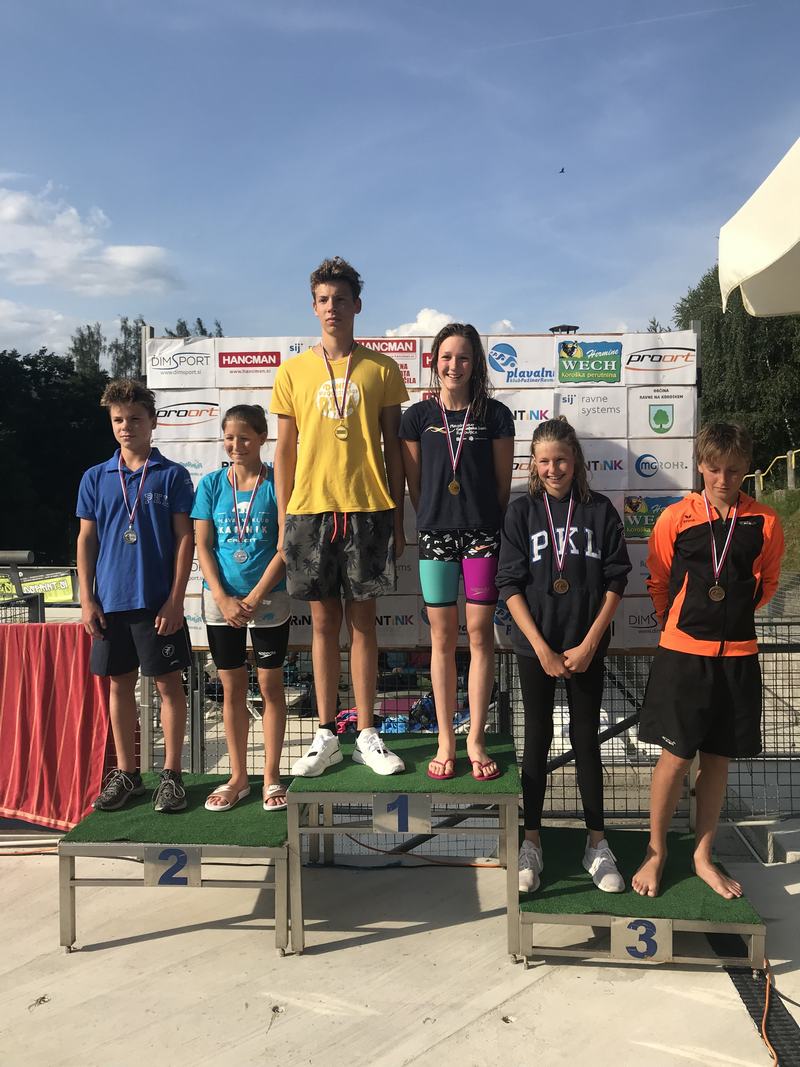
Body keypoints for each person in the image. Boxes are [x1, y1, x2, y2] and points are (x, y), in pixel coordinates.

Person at [633, 423, 784, 899]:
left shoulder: (765, 521)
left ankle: (702, 856)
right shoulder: (675, 517)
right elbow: (658, 579)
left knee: (718, 760)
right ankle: (656, 851)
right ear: (700, 465)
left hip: (737, 656)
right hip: (683, 655)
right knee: (675, 758)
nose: (723, 479)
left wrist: (730, 616)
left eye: (734, 471)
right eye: (715, 469)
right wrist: (678, 622)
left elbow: (768, 584)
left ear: (747, 469)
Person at [270, 256, 409, 776]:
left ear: (357, 306)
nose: (333, 308)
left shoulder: (382, 369)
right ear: (314, 307)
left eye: (341, 300)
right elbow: (284, 451)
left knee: (364, 625)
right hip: (310, 511)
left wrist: (398, 518)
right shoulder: (292, 371)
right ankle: (326, 733)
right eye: (324, 300)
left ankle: (367, 732)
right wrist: (284, 519)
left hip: (368, 507)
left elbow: (395, 449)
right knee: (324, 625)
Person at [496, 417, 631, 893]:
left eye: (561, 460)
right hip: (536, 648)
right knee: (535, 740)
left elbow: (617, 579)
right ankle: (531, 842)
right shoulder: (521, 513)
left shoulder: (599, 511)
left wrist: (591, 642)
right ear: (533, 464)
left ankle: (597, 843)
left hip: (585, 648)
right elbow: (509, 584)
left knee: (586, 740)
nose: (553, 469)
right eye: (544, 461)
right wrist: (540, 648)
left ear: (576, 461)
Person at [399, 323, 514, 780]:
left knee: (481, 634)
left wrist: (478, 517)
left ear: (475, 364)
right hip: (435, 536)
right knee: (442, 638)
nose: (454, 365)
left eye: (463, 357)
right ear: (434, 361)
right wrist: (436, 516)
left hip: (482, 534)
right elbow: (415, 487)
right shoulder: (416, 417)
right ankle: (446, 738)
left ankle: (475, 738)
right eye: (446, 356)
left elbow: (502, 486)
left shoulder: (496, 415)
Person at [76, 379, 194, 813]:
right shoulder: (95, 476)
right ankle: (128, 774)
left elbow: (185, 538)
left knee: (168, 686)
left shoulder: (172, 475)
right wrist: (87, 599)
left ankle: (172, 775)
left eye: (135, 419)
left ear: (153, 422)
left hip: (157, 602)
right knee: (118, 685)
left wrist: (176, 599)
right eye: (118, 420)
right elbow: (86, 539)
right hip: (110, 602)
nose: (126, 427)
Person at [192, 405, 290, 812]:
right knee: (232, 690)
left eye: (245, 437)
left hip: (268, 600)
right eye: (229, 437)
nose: (236, 445)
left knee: (270, 687)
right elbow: (203, 546)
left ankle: (271, 776)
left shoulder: (277, 483)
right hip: (222, 603)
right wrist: (222, 597)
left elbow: (285, 546)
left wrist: (253, 597)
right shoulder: (212, 484)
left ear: (262, 438)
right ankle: (237, 777)